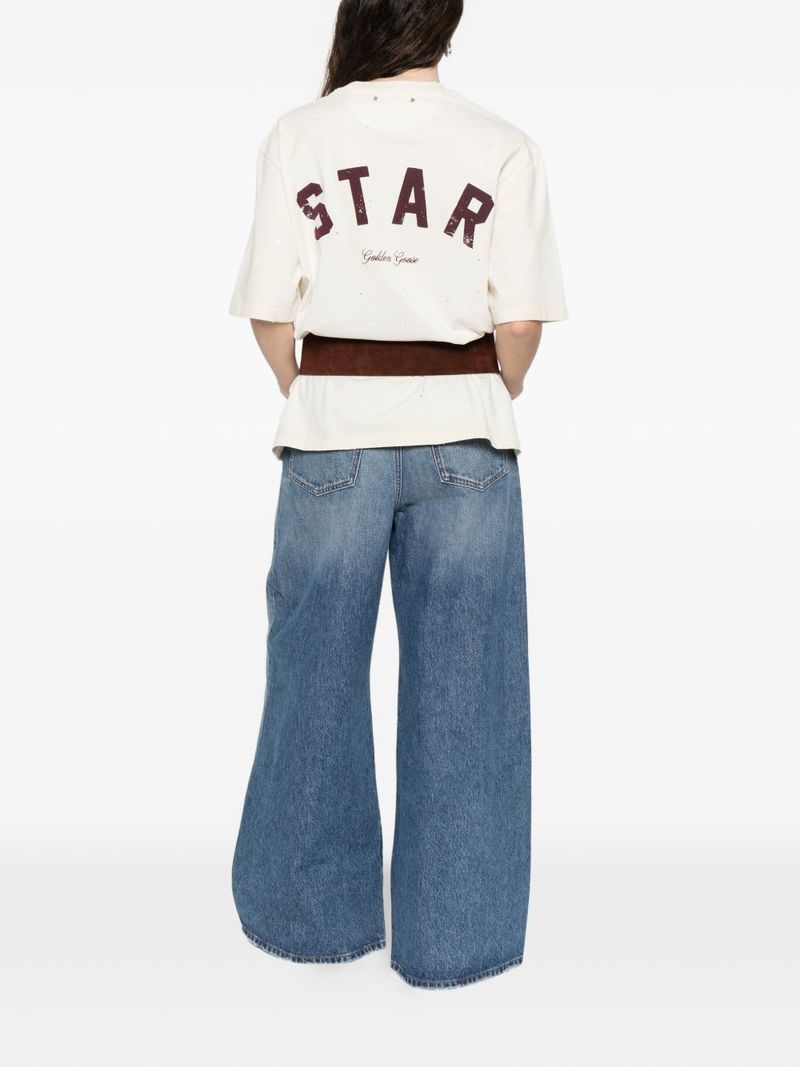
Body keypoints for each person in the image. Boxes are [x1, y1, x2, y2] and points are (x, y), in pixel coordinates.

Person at [227, 0, 568, 990]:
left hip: (331, 429)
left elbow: (268, 313)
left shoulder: (300, 135)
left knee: (312, 679)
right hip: (467, 433)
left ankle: (309, 924)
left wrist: (316, 389)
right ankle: (453, 939)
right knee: (470, 690)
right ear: (445, 23)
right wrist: (483, 388)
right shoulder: (502, 146)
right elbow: (520, 324)